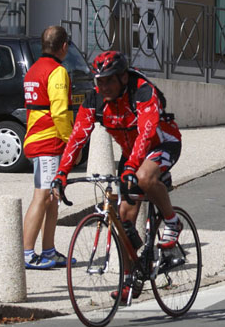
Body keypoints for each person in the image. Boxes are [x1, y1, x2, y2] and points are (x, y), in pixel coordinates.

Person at [50, 50, 182, 301]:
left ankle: (172, 221)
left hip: (162, 143)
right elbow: (77, 137)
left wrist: (131, 166)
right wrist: (61, 174)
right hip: (132, 154)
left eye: (109, 80)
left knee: (144, 177)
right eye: (99, 81)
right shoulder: (95, 99)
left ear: (123, 77)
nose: (103, 87)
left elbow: (146, 133)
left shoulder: (142, 91)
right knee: (123, 220)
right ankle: (131, 279)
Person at [22, 26, 73, 270]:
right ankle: (26, 253)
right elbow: (60, 112)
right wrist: (71, 142)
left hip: (35, 136)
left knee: (53, 197)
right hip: (48, 141)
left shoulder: (33, 69)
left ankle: (49, 250)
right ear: (63, 46)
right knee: (42, 196)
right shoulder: (57, 72)